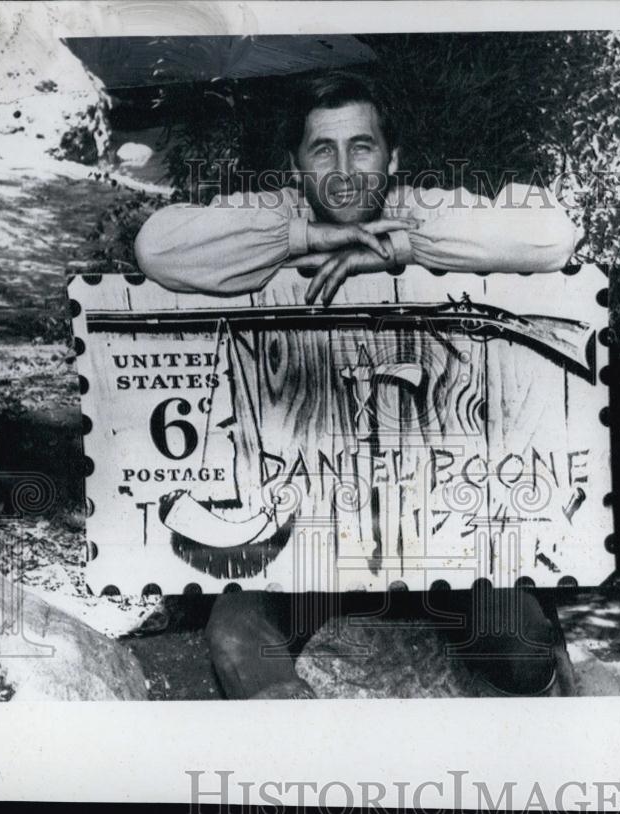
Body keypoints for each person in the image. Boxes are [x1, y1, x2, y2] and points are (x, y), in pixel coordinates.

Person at [134, 71, 578, 699]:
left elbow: (554, 233)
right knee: (236, 639)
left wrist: (397, 246)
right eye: (323, 149)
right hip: (303, 547)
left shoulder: (418, 208)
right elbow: (155, 248)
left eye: (361, 147)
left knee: (526, 653)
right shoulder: (276, 216)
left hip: (440, 540)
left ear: (392, 159)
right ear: (297, 166)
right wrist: (307, 238)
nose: (344, 169)